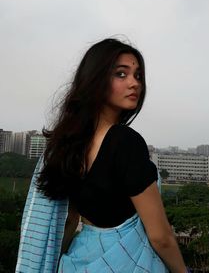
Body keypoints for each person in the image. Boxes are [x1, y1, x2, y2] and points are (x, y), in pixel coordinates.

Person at [16, 38, 188, 273]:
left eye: (138, 75)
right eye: (121, 74)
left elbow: (70, 220)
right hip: (128, 263)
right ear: (96, 79)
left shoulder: (68, 144)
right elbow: (160, 236)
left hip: (78, 260)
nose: (134, 83)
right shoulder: (125, 142)